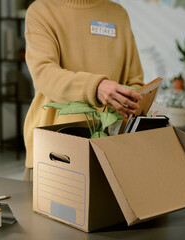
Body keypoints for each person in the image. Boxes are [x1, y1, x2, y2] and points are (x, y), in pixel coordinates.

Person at [23, 0, 144, 180]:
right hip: (56, 146)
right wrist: (96, 87)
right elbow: (43, 74)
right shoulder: (42, 10)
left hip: (112, 145)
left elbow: (135, 81)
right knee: (45, 208)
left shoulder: (118, 14)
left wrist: (130, 98)